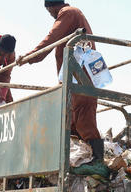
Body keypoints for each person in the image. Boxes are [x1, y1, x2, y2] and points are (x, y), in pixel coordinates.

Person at [19, 1, 104, 166]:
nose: (50, 15)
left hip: (79, 76)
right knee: (71, 120)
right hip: (77, 76)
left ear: (51, 7)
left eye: (49, 11)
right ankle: (79, 159)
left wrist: (31, 56)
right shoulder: (74, 14)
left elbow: (52, 38)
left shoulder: (67, 13)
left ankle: (98, 161)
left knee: (83, 118)